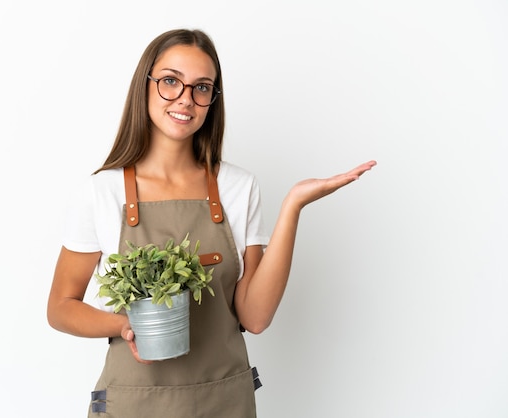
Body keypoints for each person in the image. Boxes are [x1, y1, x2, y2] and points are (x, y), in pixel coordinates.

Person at [47, 28, 376, 418]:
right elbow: (60, 307)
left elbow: (254, 317)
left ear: (212, 99)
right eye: (171, 81)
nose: (185, 99)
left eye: (202, 87)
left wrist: (293, 206)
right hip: (133, 404)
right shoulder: (102, 191)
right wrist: (124, 326)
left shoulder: (238, 187)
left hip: (224, 402)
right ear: (145, 85)